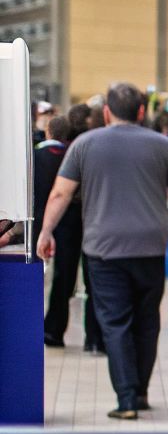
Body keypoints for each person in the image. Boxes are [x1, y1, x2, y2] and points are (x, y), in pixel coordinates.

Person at [36, 82, 168, 420]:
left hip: (104, 248)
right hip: (150, 246)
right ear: (141, 111)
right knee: (147, 320)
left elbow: (61, 194)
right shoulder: (162, 144)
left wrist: (46, 232)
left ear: (106, 112)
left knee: (116, 322)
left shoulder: (85, 144)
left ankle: (126, 399)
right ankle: (141, 391)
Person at [35, 115, 98, 351]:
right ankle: (94, 338)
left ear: (49, 131)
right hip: (87, 220)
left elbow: (58, 194)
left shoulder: (39, 155)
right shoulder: (81, 153)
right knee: (92, 277)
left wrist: (45, 229)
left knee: (63, 276)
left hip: (59, 222)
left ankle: (53, 330)